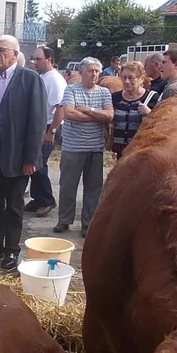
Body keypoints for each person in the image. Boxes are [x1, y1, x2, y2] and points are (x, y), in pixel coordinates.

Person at [0, 35, 47, 270]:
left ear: (15, 54)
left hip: (16, 151)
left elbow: (37, 122)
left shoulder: (30, 79)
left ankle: (12, 251)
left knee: (14, 205)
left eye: (2, 50)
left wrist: (31, 158)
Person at [54, 57, 113, 237]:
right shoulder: (71, 89)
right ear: (81, 73)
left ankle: (88, 224)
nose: (94, 74)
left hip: (95, 148)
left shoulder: (104, 92)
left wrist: (87, 110)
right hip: (72, 147)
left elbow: (109, 115)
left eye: (97, 71)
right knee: (67, 186)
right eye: (90, 71)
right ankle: (64, 220)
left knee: (93, 188)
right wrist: (97, 116)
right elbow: (69, 114)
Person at [26, 46, 67, 217]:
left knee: (39, 164)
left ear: (49, 59)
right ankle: (37, 198)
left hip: (49, 127)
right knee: (33, 164)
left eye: (38, 59)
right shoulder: (42, 77)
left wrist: (52, 131)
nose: (35, 62)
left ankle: (48, 200)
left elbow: (60, 107)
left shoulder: (55, 80)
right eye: (33, 59)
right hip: (40, 127)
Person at [111, 61, 157, 159]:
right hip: (120, 151)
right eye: (124, 77)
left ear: (141, 79)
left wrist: (149, 113)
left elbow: (160, 123)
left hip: (141, 151)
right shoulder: (115, 97)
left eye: (131, 77)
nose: (127, 81)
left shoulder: (152, 97)